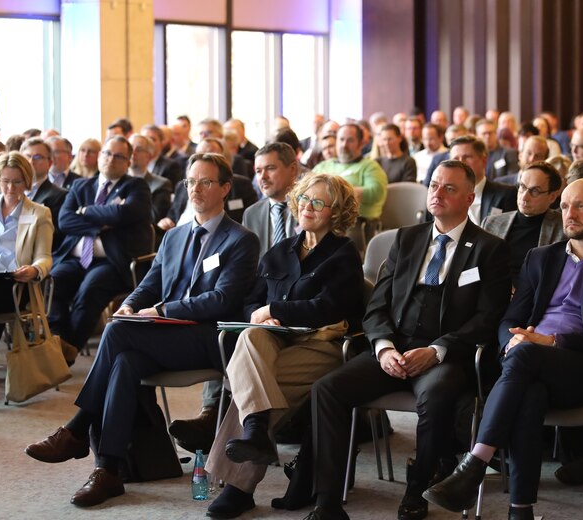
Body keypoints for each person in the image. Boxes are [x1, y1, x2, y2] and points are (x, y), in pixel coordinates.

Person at [24, 152, 259, 508]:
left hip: (208, 337)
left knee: (118, 334)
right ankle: (109, 469)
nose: (195, 189)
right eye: (191, 181)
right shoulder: (174, 236)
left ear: (225, 188)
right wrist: (131, 305)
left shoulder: (240, 239)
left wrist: (161, 309)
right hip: (160, 334)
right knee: (125, 362)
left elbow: (222, 300)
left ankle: (75, 429)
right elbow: (149, 284)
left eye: (205, 182)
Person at [423, 179, 583, 520]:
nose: (570, 213)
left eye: (581, 206)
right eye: (566, 206)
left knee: (525, 358)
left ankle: (476, 462)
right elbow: (510, 318)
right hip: (529, 363)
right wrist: (510, 339)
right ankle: (520, 510)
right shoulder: (541, 258)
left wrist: (550, 341)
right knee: (529, 394)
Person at [306, 160, 511, 520]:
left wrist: (437, 350)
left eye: (449, 188)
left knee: (435, 395)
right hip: (395, 347)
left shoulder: (489, 249)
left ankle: (417, 490)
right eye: (434, 185)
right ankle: (328, 499)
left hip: (445, 354)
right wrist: (384, 347)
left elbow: (487, 318)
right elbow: (377, 306)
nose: (438, 193)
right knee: (327, 388)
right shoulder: (407, 239)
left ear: (469, 197)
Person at [203, 173, 365, 518]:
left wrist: (274, 308)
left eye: (318, 202)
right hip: (275, 343)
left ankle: (240, 483)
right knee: (250, 335)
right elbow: (249, 304)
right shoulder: (279, 252)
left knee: (255, 388)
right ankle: (255, 433)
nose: (307, 207)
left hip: (323, 345)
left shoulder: (344, 255)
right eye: (304, 199)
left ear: (336, 211)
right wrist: (262, 316)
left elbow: (328, 308)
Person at [168, 142, 301, 453]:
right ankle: (211, 414)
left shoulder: (310, 207)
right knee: (224, 322)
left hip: (294, 299)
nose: (262, 177)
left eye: (270, 168)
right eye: (257, 171)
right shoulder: (254, 212)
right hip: (255, 300)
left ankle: (218, 419)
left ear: (293, 168)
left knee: (232, 328)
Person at [48, 136, 153, 365]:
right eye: (107, 153)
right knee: (53, 281)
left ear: (128, 161)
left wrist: (85, 211)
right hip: (75, 258)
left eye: (118, 156)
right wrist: (105, 218)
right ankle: (57, 339)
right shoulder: (80, 186)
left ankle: (69, 348)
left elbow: (125, 214)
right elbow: (65, 221)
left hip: (112, 262)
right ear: (100, 156)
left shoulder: (136, 186)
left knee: (91, 288)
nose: (111, 160)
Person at [0, 152, 53, 348]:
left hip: (15, 284)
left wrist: (35, 270)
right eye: (5, 181)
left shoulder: (39, 213)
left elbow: (44, 257)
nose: (10, 188)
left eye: (17, 182)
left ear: (27, 181)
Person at [482, 161, 565, 286]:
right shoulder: (492, 222)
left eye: (535, 191)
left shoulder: (562, 228)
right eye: (522, 187)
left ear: (552, 197)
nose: (524, 197)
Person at [312, 123, 388, 252]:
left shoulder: (370, 166)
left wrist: (342, 192)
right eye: (341, 139)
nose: (344, 144)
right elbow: (307, 187)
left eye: (350, 140)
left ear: (360, 143)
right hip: (320, 215)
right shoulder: (324, 166)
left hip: (355, 221)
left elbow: (377, 192)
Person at [448, 135, 517, 225]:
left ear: (483, 161)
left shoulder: (506, 195)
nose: (461, 163)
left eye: (467, 157)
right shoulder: (444, 196)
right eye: (455, 159)